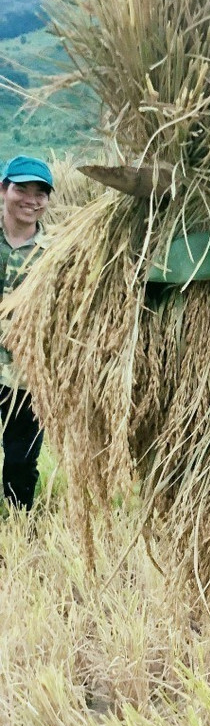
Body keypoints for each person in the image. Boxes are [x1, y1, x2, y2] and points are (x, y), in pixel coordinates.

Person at [0, 155, 54, 510]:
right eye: (22, 188)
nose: (30, 200)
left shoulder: (57, 254)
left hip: (26, 376)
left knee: (21, 460)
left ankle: (18, 523)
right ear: (3, 189)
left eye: (40, 192)